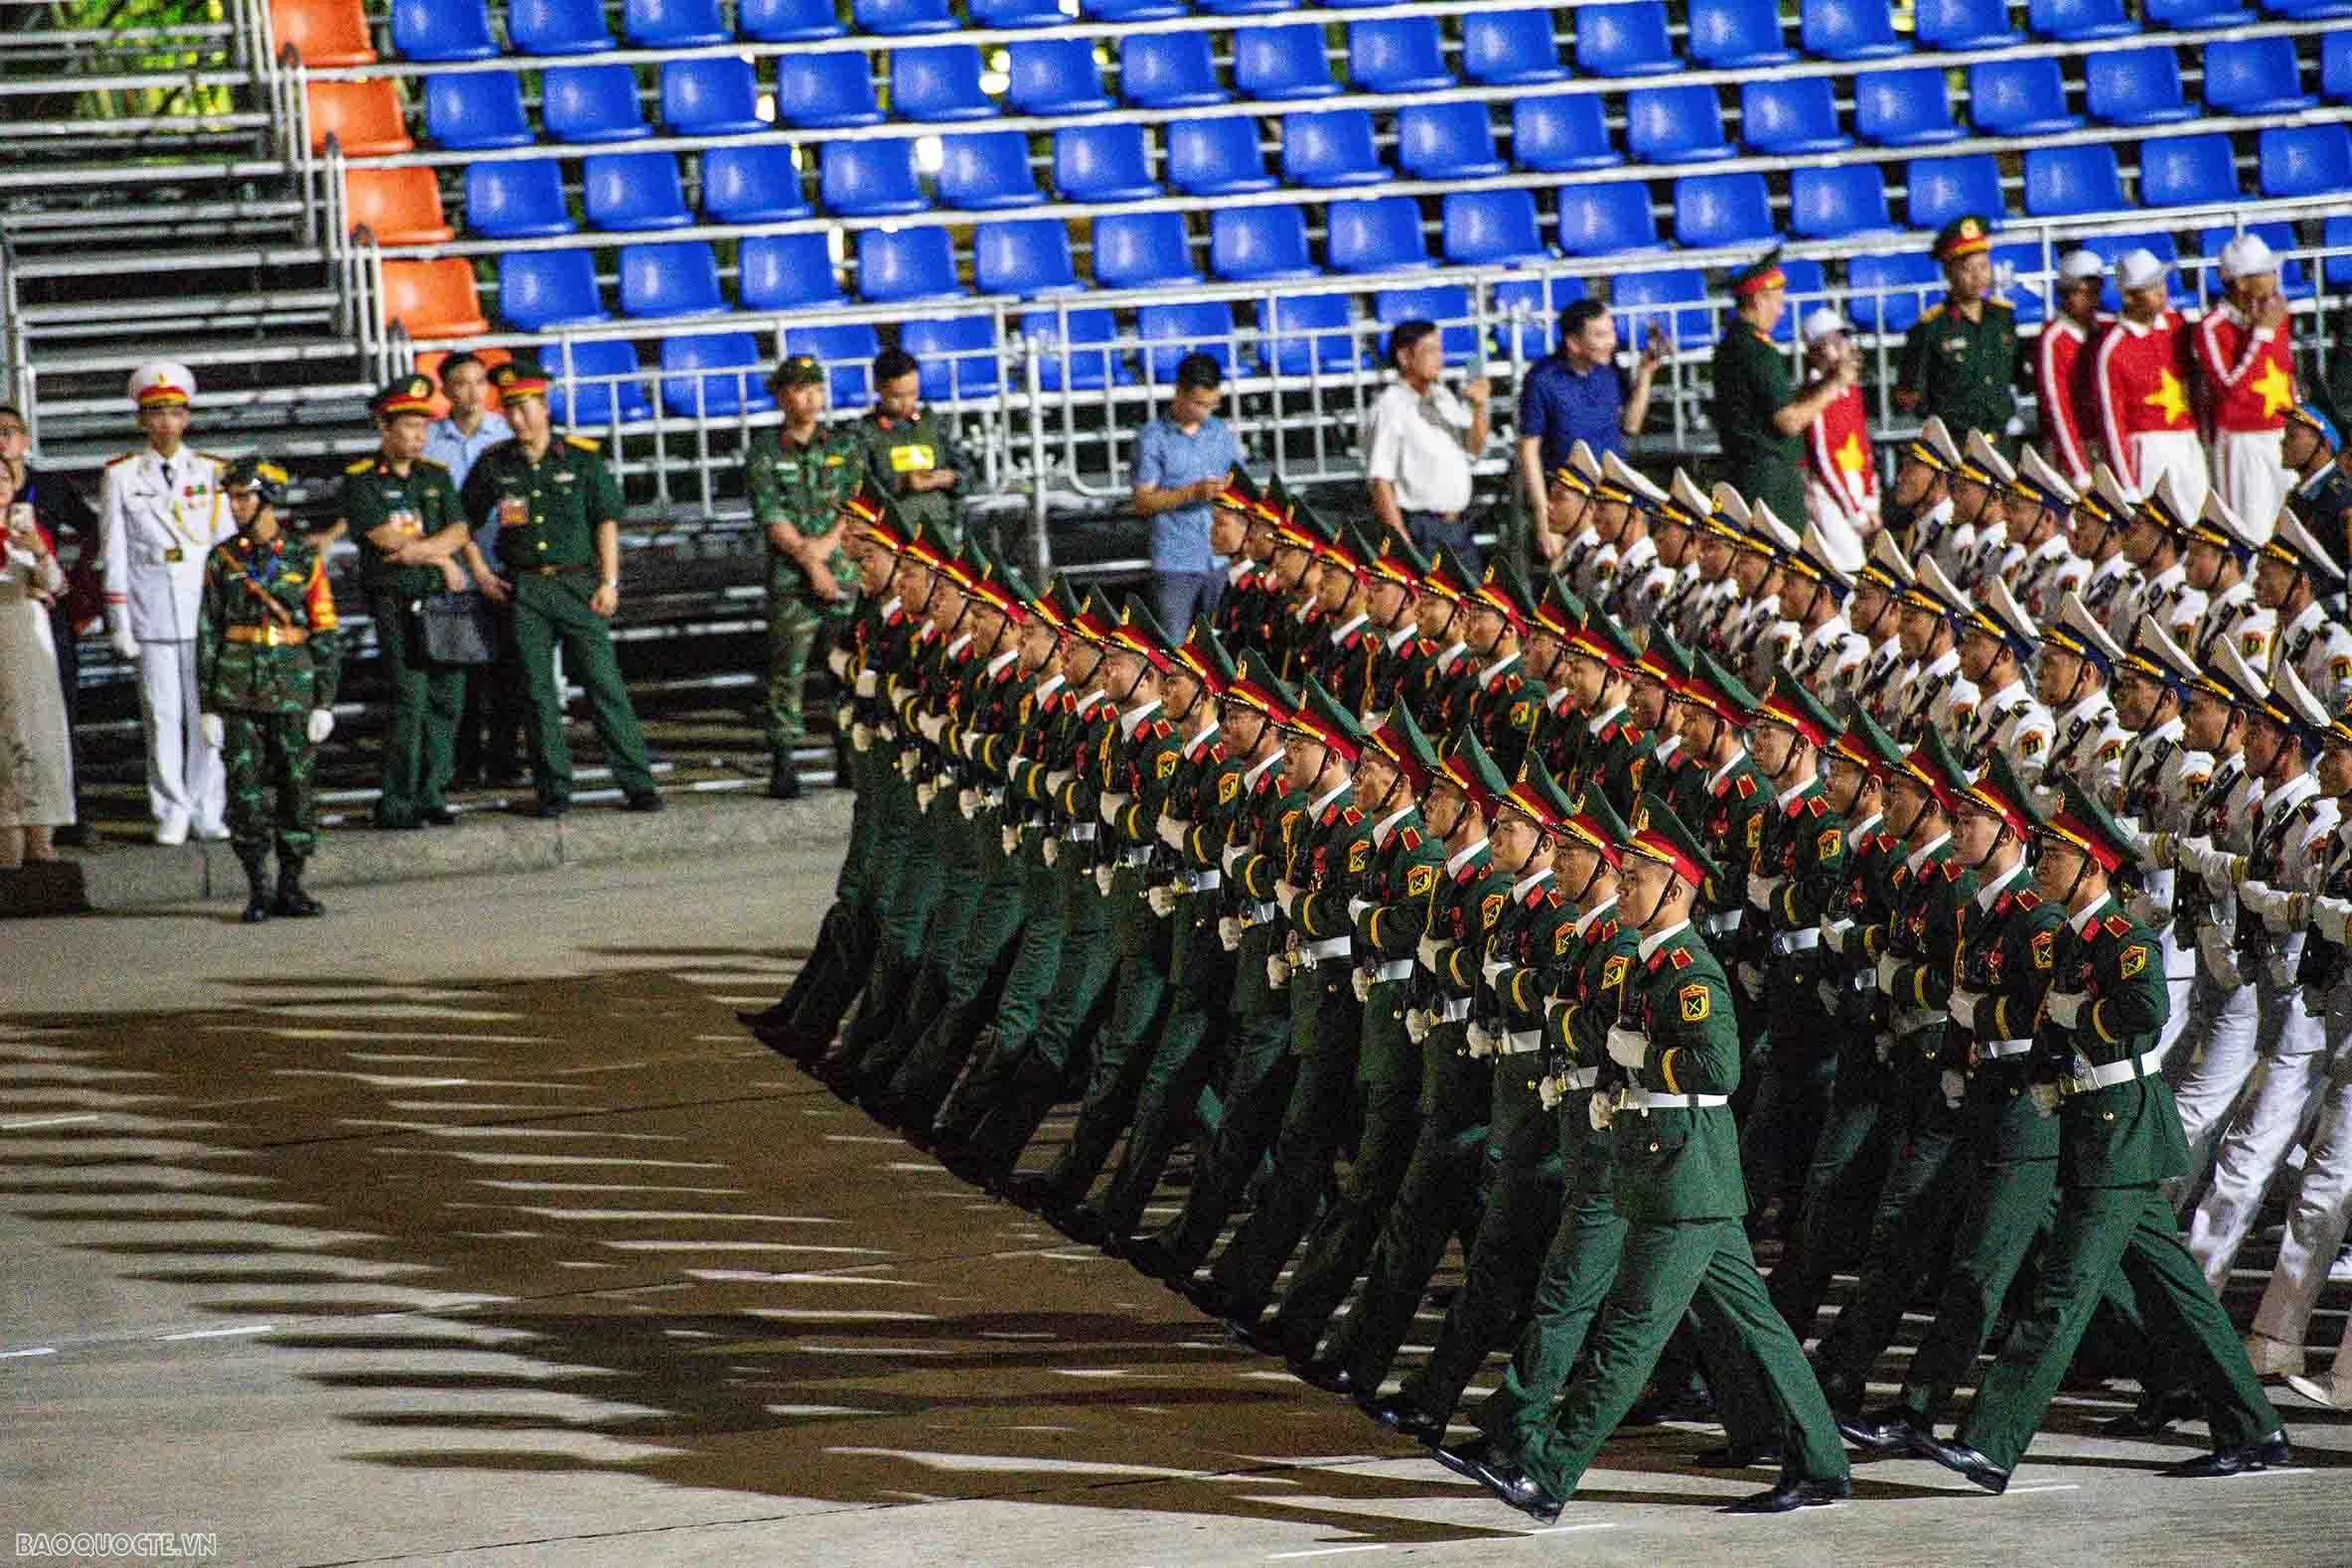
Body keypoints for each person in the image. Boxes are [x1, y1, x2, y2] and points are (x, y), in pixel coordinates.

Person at [1922, 780, 2288, 1493]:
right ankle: (2255, 1427)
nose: (2042, 863)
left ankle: (1991, 1442)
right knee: (2181, 1295)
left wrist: (2073, 1014)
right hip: (2095, 1125)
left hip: (2120, 1131)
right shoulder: (2072, 938)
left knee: (2062, 1292)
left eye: (2055, 854)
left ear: (2092, 865)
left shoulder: (2122, 938)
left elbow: (2145, 1014)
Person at [458, 358, 661, 818]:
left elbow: (604, 522)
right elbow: (460, 522)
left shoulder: (581, 459)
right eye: (509, 410)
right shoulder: (495, 466)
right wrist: (482, 573)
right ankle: (553, 788)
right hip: (525, 588)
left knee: (604, 685)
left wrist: (610, 581)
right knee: (536, 693)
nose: (516, 419)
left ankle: (637, 782)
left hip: (578, 583)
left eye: (525, 408)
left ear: (544, 407)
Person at [198, 458, 341, 921]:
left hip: (293, 686)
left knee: (297, 789)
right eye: (233, 497)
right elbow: (208, 632)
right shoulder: (222, 560)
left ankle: (291, 885)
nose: (236, 506)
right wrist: (208, 704)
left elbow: (323, 627)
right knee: (245, 792)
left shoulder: (304, 557)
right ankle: (257, 886)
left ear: (269, 499)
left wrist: (324, 699)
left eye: (244, 496)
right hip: (238, 688)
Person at [100, 360, 233, 845]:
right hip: (151, 608)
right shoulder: (121, 475)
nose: (165, 423)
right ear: (141, 419)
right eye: (155, 413)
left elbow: (225, 552)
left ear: (188, 417)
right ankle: (170, 806)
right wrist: (119, 620)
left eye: (174, 412)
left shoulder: (214, 471)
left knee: (208, 714)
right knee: (161, 714)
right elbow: (112, 551)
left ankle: (207, 805)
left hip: (203, 609)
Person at [341, 375, 471, 829]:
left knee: (446, 697)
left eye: (423, 426)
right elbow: (384, 537)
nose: (418, 436)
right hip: (397, 601)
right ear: (385, 428)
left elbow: (459, 530)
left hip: (439, 602)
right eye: (409, 426)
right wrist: (440, 559)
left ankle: (432, 793)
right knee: (409, 699)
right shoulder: (361, 480)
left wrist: (426, 554)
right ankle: (397, 800)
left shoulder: (435, 475)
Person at [746, 355, 861, 801]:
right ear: (781, 396)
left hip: (842, 575)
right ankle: (784, 761)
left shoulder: (844, 446)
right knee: (786, 673)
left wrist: (828, 548)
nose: (809, 398)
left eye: (815, 388)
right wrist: (811, 563)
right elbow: (771, 515)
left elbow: (854, 507)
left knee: (847, 672)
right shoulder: (766, 451)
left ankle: (849, 756)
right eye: (799, 389)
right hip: (793, 580)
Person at [0, 405, 98, 844]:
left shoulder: (49, 491)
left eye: (9, 432)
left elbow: (90, 532)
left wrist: (60, 571)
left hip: (40, 623)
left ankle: (59, 819)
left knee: (52, 721)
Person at [427, 351, 523, 790]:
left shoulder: (507, 434)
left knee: (509, 667)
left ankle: (505, 759)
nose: (472, 392)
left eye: (479, 382)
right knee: (458, 669)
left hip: (502, 560)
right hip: (454, 568)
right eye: (461, 383)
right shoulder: (427, 441)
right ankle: (463, 763)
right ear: (445, 390)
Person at [1710, 253, 1854, 528]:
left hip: (1745, 471)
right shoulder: (1757, 350)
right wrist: (1834, 385)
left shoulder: (1729, 344)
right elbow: (1788, 420)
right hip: (1770, 481)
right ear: (1757, 299)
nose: (1781, 311)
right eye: (1777, 302)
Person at [1520, 302, 1663, 552]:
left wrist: (1645, 374)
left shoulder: (1609, 369)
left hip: (1614, 497)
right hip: (1571, 503)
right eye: (1600, 334)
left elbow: (1631, 425)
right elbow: (1528, 450)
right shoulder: (1542, 379)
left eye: (1611, 332)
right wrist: (1544, 519)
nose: (1611, 341)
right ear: (1573, 343)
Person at [1367, 321, 1490, 572]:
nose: (1440, 358)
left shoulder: (1444, 397)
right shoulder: (1389, 407)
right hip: (1422, 529)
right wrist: (1401, 540)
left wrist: (1479, 408)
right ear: (1404, 356)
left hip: (1459, 526)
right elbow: (1380, 480)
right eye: (1430, 350)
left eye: (1440, 350)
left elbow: (1474, 449)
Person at [2195, 232, 2298, 533]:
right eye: (2265, 272)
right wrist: (2261, 335)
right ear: (2241, 282)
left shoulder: (2277, 311)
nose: (2274, 277)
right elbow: (2230, 392)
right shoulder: (2211, 327)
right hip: (2242, 441)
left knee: (2297, 527)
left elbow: (2286, 372)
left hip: (2283, 432)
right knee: (2251, 530)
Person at [1133, 352, 1244, 632]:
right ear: (1178, 392)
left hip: (1222, 558)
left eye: (1211, 405)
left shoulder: (1219, 431)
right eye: (1198, 404)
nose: (1205, 412)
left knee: (1229, 646)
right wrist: (1192, 492)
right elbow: (1143, 501)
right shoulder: (1152, 438)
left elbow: (1240, 481)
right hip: (1175, 560)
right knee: (1175, 649)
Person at [0, 460, 74, 865]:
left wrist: (41, 553)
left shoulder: (29, 534)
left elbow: (58, 585)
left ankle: (41, 831)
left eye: (5, 478)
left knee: (40, 732)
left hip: (29, 639)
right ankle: (7, 830)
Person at [2094, 248, 2206, 516]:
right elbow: (2112, 423)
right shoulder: (2113, 349)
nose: (2161, 291)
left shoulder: (2178, 327)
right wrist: (2127, 484)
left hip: (2187, 441)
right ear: (2129, 296)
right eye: (2150, 286)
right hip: (2148, 451)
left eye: (2161, 283)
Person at [1895, 214, 2021, 443]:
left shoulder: (2003, 318)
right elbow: (1910, 393)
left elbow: (2017, 373)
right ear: (1948, 272)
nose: (1978, 276)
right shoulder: (1931, 328)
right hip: (1956, 447)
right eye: (1967, 268)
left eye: (1983, 266)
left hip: (2001, 442)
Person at [855, 347, 974, 548]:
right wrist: (901, 484)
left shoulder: (933, 425)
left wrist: (950, 479)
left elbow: (969, 474)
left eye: (913, 394)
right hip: (891, 538)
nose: (907, 403)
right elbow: (857, 488)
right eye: (897, 396)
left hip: (940, 533)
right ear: (878, 387)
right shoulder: (864, 432)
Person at [1797, 308, 1878, 536]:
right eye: (1832, 341)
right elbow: (1824, 459)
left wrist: (1870, 500)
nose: (1844, 346)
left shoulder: (1850, 389)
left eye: (1843, 338)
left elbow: (1862, 446)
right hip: (1827, 494)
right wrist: (1854, 513)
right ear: (1815, 352)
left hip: (1851, 487)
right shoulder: (1815, 395)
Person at [2037, 250, 2110, 490]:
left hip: (2105, 443)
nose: (2092, 300)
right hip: (2072, 447)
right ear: (2065, 293)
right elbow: (2057, 407)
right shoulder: (2053, 339)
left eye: (2096, 292)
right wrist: (2077, 468)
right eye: (2083, 292)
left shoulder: (2107, 330)